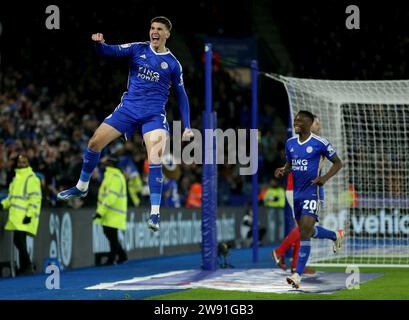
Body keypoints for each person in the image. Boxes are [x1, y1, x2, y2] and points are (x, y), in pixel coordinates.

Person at [57, 16, 193, 233]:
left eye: (159, 29)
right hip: (128, 111)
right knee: (94, 143)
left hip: (153, 116)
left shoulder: (173, 64)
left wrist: (187, 125)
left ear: (167, 34)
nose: (154, 31)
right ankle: (81, 187)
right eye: (152, 28)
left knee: (155, 155)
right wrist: (98, 43)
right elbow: (107, 52)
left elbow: (182, 95)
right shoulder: (137, 49)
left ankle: (155, 212)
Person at [274, 111, 344, 288]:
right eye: (295, 120)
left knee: (304, 231)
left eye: (300, 120)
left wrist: (325, 178)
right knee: (307, 231)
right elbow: (291, 163)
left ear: (309, 123)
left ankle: (297, 274)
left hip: (312, 191)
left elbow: (338, 163)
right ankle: (335, 235)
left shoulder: (320, 143)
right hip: (296, 194)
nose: (296, 122)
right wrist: (284, 169)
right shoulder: (290, 143)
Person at [272, 115, 322, 274]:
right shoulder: (302, 141)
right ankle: (279, 251)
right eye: (316, 122)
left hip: (300, 189)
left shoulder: (313, 142)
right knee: (304, 228)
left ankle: (295, 266)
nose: (319, 125)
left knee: (302, 229)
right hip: (297, 190)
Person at [0, 155, 42, 275]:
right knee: (19, 241)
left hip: (24, 216)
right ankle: (26, 267)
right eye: (19, 161)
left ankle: (27, 266)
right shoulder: (15, 178)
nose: (21, 163)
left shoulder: (31, 178)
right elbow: (11, 197)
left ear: (28, 163)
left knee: (18, 241)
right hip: (16, 216)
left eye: (24, 161)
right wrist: (3, 204)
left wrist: (30, 214)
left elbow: (35, 198)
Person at [93, 155, 128, 265]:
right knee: (111, 235)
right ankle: (122, 256)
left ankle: (112, 259)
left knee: (111, 236)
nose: (103, 163)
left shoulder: (115, 177)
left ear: (110, 163)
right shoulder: (111, 175)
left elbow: (110, 198)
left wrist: (100, 212)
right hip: (111, 213)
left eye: (105, 161)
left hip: (113, 213)